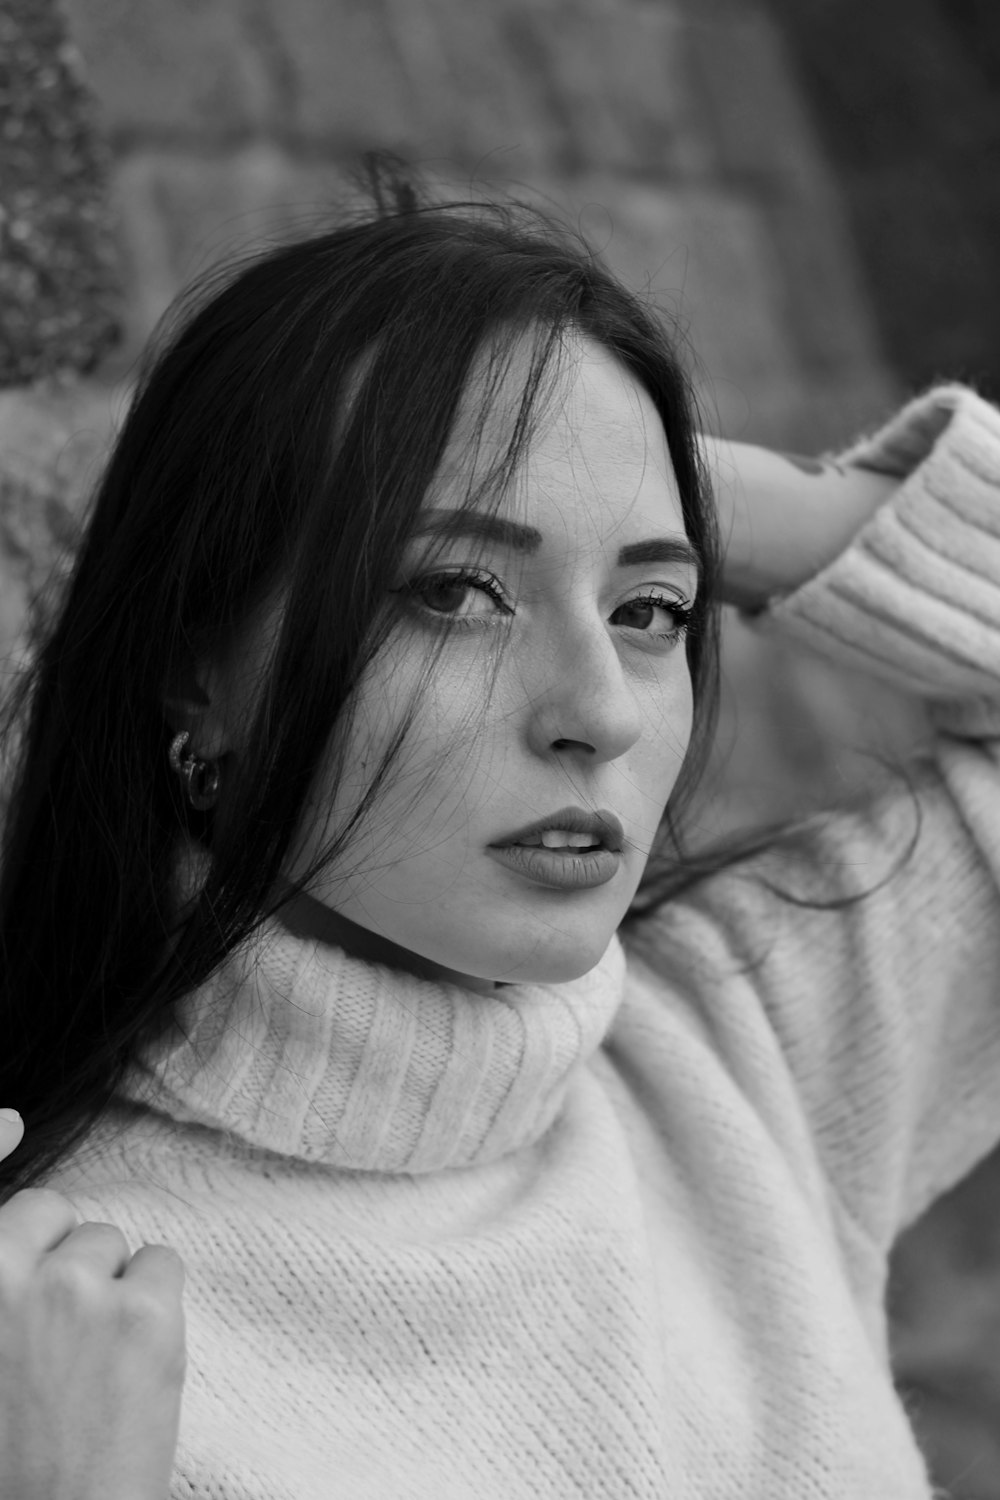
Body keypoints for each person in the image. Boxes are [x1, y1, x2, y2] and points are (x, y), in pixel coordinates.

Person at [1, 184, 999, 1499]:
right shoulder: (55, 1334)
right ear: (197, 670)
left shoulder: (741, 1063)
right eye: (456, 590)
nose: (598, 712)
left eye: (651, 610)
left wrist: (670, 486)